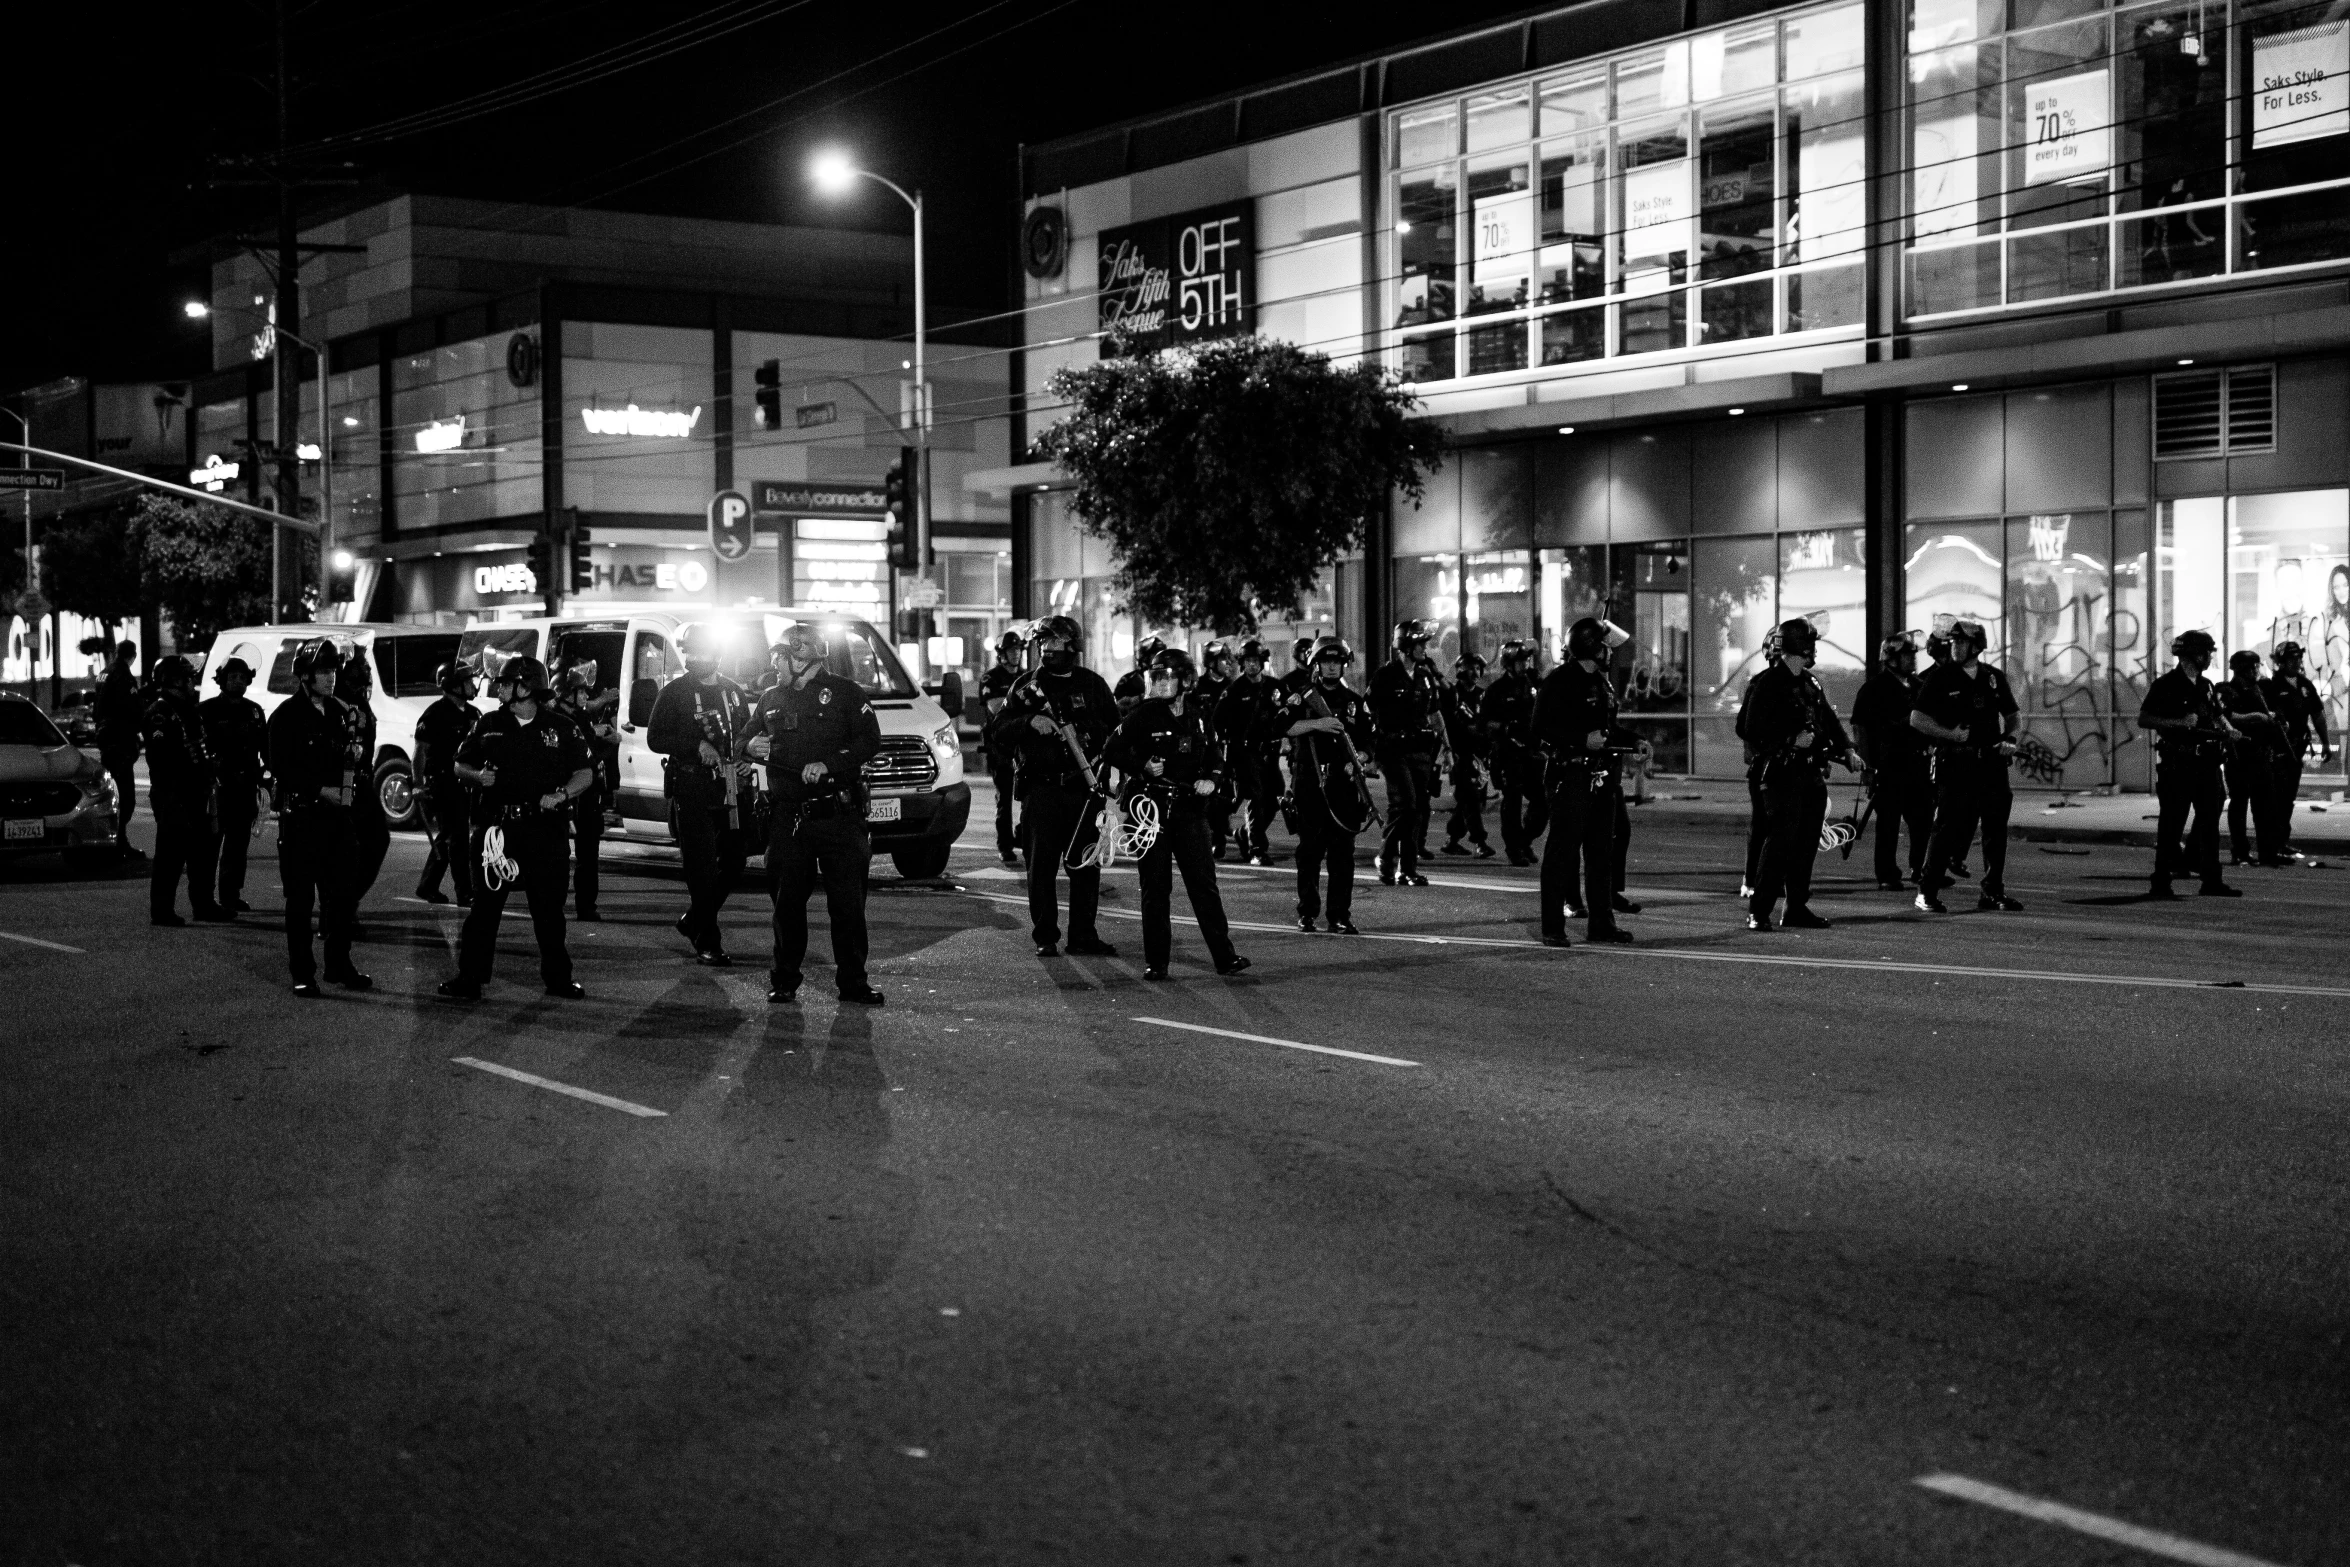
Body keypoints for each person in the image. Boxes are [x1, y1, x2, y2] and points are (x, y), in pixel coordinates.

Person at [739, 623, 886, 1006]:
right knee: (786, 904)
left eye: (780, 655)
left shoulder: (845, 694)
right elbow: (742, 742)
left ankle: (853, 982)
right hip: (789, 818)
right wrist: (749, 745)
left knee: (848, 905)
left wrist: (830, 764)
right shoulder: (771, 697)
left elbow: (869, 741)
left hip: (839, 815)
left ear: (801, 657)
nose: (773, 662)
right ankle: (784, 980)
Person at [439, 656, 594, 999]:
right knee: (484, 910)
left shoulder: (562, 727)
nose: (499, 688)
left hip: (545, 831)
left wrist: (562, 794)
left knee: (549, 911)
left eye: (507, 683)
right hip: (497, 831)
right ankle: (469, 979)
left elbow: (586, 773)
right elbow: (459, 765)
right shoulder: (488, 723)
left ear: (527, 687)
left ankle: (559, 979)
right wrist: (478, 776)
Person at [1105, 647, 1249, 980]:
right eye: (1154, 677)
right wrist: (1142, 766)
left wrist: (1210, 781)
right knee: (1156, 889)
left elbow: (1216, 758)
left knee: (1204, 886)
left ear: (1184, 680)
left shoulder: (1199, 713)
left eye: (1165, 677)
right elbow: (1111, 749)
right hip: (1151, 810)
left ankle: (1225, 958)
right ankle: (1156, 962)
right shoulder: (1143, 714)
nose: (1158, 684)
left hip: (1189, 811)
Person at [987, 614, 1120, 958]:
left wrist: (1106, 760)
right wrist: (1030, 721)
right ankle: (1046, 935)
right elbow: (998, 731)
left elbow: (1118, 733)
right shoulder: (1025, 687)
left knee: (1085, 866)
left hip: (1083, 790)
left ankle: (1083, 936)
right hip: (1041, 790)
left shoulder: (1092, 685)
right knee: (1041, 869)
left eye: (1055, 642)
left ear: (1072, 646)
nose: (1047, 649)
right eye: (1043, 642)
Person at [1740, 618, 1865, 930]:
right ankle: (1760, 911)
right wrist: (1788, 741)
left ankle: (1795, 907)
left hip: (1810, 775)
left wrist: (1847, 749)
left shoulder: (1810, 683)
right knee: (1779, 842)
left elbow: (1829, 720)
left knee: (1806, 844)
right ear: (1800, 646)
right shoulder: (1768, 683)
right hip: (1781, 775)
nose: (1814, 650)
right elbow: (1749, 729)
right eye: (1811, 644)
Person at [648, 624, 758, 966]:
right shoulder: (674, 693)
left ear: (717, 655)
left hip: (731, 789)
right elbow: (655, 738)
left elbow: (745, 733)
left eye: (702, 652)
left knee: (736, 860)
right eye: (690, 652)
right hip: (692, 788)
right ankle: (708, 939)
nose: (694, 658)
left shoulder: (734, 692)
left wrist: (745, 758)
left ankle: (695, 919)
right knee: (701, 868)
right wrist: (695, 746)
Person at [266, 639, 368, 995]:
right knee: (300, 900)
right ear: (305, 675)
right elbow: (279, 766)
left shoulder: (342, 712)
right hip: (302, 817)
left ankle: (339, 965)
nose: (330, 678)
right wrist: (316, 790)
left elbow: (352, 760)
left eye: (332, 671)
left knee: (342, 896)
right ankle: (302, 972)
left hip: (336, 819)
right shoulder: (286, 716)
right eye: (323, 672)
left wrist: (353, 781)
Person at [1532, 618, 1638, 946]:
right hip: (1570, 776)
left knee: (1600, 854)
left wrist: (1635, 741)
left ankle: (1602, 924)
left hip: (1601, 778)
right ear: (1591, 647)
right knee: (1562, 854)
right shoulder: (1560, 681)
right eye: (1605, 646)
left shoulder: (1601, 684)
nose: (1610, 652)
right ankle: (1552, 927)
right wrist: (1580, 740)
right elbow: (1540, 731)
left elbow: (1608, 729)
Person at [1911, 619, 2023, 913]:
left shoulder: (1993, 677)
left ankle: (1992, 891)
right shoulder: (1941, 677)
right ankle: (1927, 891)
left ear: (1977, 646)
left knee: (1995, 829)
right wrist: (1950, 735)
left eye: (1961, 642)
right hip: (1956, 762)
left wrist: (2010, 739)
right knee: (1946, 828)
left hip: (1992, 763)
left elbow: (2013, 715)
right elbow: (1917, 719)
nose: (1956, 647)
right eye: (1954, 642)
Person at [1279, 636, 1375, 934]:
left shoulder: (1356, 703)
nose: (1332, 667)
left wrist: (1357, 758)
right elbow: (1280, 726)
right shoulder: (1303, 698)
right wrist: (1317, 724)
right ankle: (1307, 912)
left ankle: (1339, 915)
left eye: (1337, 662)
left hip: (1343, 784)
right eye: (1326, 662)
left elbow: (1369, 745)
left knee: (1342, 853)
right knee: (1309, 851)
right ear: (1316, 665)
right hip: (1309, 780)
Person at [2137, 629, 2239, 898]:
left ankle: (2211, 881)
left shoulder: (2206, 685)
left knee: (2209, 824)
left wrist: (2229, 729)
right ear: (2194, 654)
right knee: (2171, 825)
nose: (2209, 657)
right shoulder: (2166, 685)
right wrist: (2178, 723)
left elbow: (2217, 716)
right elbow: (2145, 719)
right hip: (2178, 763)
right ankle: (2160, 883)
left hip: (2206, 763)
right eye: (2206, 652)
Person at [140, 655, 225, 927]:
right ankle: (162, 911)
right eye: (188, 678)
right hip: (173, 793)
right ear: (174, 680)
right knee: (171, 855)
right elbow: (163, 758)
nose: (193, 683)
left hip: (196, 791)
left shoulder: (188, 709)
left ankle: (204, 904)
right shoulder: (160, 712)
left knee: (203, 852)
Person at [1850, 633, 1933, 892]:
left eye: (1913, 654)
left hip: (1918, 766)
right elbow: (1861, 729)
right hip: (1889, 766)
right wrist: (1867, 768)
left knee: (1923, 820)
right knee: (1888, 823)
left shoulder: (1919, 686)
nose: (1913, 659)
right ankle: (1887, 874)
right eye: (1907, 655)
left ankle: (1921, 869)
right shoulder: (1875, 688)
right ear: (1892, 658)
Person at [1369, 619, 1443, 886]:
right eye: (1420, 643)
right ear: (1406, 646)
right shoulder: (1385, 676)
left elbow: (1435, 713)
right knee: (1405, 805)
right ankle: (1386, 858)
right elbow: (1370, 714)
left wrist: (1447, 748)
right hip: (1392, 751)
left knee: (1417, 809)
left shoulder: (1425, 676)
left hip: (1420, 751)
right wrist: (1370, 753)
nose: (1425, 648)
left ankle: (1408, 869)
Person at [197, 655, 269, 915]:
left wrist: (268, 778)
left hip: (245, 787)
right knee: (209, 846)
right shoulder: (206, 711)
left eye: (242, 677)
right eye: (233, 677)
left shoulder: (254, 710)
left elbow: (266, 749)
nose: (238, 681)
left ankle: (230, 895)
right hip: (218, 790)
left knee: (238, 846)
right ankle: (204, 899)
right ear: (222, 680)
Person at [551, 656, 620, 919]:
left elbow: (592, 755)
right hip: (564, 795)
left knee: (588, 856)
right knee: (557, 855)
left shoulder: (582, 718)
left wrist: (609, 740)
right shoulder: (554, 721)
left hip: (589, 796)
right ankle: (553, 903)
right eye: (579, 691)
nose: (584, 696)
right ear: (566, 694)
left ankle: (586, 905)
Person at [412, 661, 481, 906]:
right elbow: (420, 751)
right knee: (459, 837)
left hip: (466, 782)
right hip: (442, 782)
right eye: (466, 681)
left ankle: (428, 885)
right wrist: (417, 783)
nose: (472, 685)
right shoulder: (434, 714)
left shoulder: (474, 714)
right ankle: (465, 891)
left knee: (449, 836)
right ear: (452, 685)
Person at [1215, 637, 1286, 866]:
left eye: (1256, 660)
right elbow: (1217, 722)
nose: (1252, 665)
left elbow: (1288, 715)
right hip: (1245, 754)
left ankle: (1245, 834)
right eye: (1248, 661)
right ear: (1242, 663)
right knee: (1255, 797)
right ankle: (1257, 849)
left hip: (1271, 753)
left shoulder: (1276, 687)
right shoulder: (1234, 691)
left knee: (1275, 797)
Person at [2263, 641, 2331, 862]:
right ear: (2281, 662)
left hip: (2297, 750)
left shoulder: (2304, 685)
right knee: (2276, 798)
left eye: (2298, 658)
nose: (2297, 662)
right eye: (2291, 658)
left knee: (2288, 798)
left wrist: (2326, 743)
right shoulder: (2271, 686)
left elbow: (2318, 715)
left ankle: (2282, 842)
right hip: (2278, 750)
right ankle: (2272, 845)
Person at [333, 653, 392, 909]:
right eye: (360, 669)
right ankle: (335, 909)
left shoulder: (360, 702)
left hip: (363, 785)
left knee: (378, 839)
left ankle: (349, 900)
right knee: (342, 851)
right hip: (340, 785)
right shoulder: (333, 704)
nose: (366, 674)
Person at [2217, 650, 2286, 867]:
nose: (2258, 670)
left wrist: (2276, 720)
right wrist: (2255, 717)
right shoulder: (2227, 690)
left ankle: (2268, 851)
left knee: (2265, 806)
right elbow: (2226, 717)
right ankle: (2240, 851)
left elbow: (2275, 711)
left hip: (2260, 756)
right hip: (2239, 756)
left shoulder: (2261, 688)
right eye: (2254, 667)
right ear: (2244, 669)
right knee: (2239, 804)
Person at [1483, 639, 1546, 866]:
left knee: (1542, 801)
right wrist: (1505, 728)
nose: (1526, 664)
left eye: (1527, 660)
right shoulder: (1496, 690)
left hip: (1532, 752)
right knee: (1513, 802)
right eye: (1521, 660)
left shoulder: (1534, 685)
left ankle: (1525, 839)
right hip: (1509, 753)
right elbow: (1485, 723)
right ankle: (1514, 848)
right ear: (1509, 663)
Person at [1734, 627, 1782, 899]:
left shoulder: (1804, 683)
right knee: (1763, 824)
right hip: (1765, 766)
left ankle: (1780, 878)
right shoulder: (1761, 683)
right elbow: (1745, 727)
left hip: (1793, 768)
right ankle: (1752, 879)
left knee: (1788, 827)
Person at [976, 629, 1027, 867]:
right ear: (1002, 654)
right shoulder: (991, 678)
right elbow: (996, 707)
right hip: (1000, 746)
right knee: (1004, 798)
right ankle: (1005, 845)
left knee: (1030, 795)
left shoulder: (1028, 676)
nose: (1016, 654)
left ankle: (1024, 835)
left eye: (1018, 650)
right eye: (1011, 650)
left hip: (1023, 745)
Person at [93, 640, 146, 861]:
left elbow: (99, 707)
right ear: (133, 655)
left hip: (107, 741)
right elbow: (133, 710)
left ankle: (114, 842)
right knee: (125, 797)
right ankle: (118, 842)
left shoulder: (103, 673)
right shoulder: (124, 676)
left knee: (111, 794)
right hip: (120, 741)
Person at [1441, 651, 1496, 858]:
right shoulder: (1453, 696)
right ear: (1461, 670)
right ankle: (1480, 842)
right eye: (1471, 668)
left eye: (1478, 668)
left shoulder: (1483, 695)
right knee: (1470, 799)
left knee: (1472, 800)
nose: (1475, 672)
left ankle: (1452, 840)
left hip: (1481, 755)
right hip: (1460, 755)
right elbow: (1450, 725)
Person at [1195, 640, 1238, 859]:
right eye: (1223, 659)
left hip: (1228, 747)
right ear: (1211, 662)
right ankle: (1215, 838)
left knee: (1227, 793)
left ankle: (1227, 831)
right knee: (1211, 794)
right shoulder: (1198, 687)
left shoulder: (1231, 686)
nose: (1227, 663)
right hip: (1205, 749)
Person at [1112, 633, 1166, 716]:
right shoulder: (1129, 680)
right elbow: (1116, 709)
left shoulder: (1169, 678)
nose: (1160, 659)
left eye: (1162, 655)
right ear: (1145, 656)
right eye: (1155, 655)